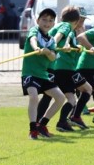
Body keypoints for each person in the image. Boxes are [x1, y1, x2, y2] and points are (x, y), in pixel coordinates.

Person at [22, 8, 65, 139]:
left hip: (43, 75)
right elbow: (32, 39)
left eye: (50, 20)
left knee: (60, 98)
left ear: (53, 24)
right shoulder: (35, 30)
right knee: (34, 97)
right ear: (38, 20)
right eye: (44, 19)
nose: (47, 23)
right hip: (30, 72)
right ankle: (33, 129)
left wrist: (47, 52)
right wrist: (36, 48)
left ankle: (42, 124)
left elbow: (52, 57)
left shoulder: (51, 40)